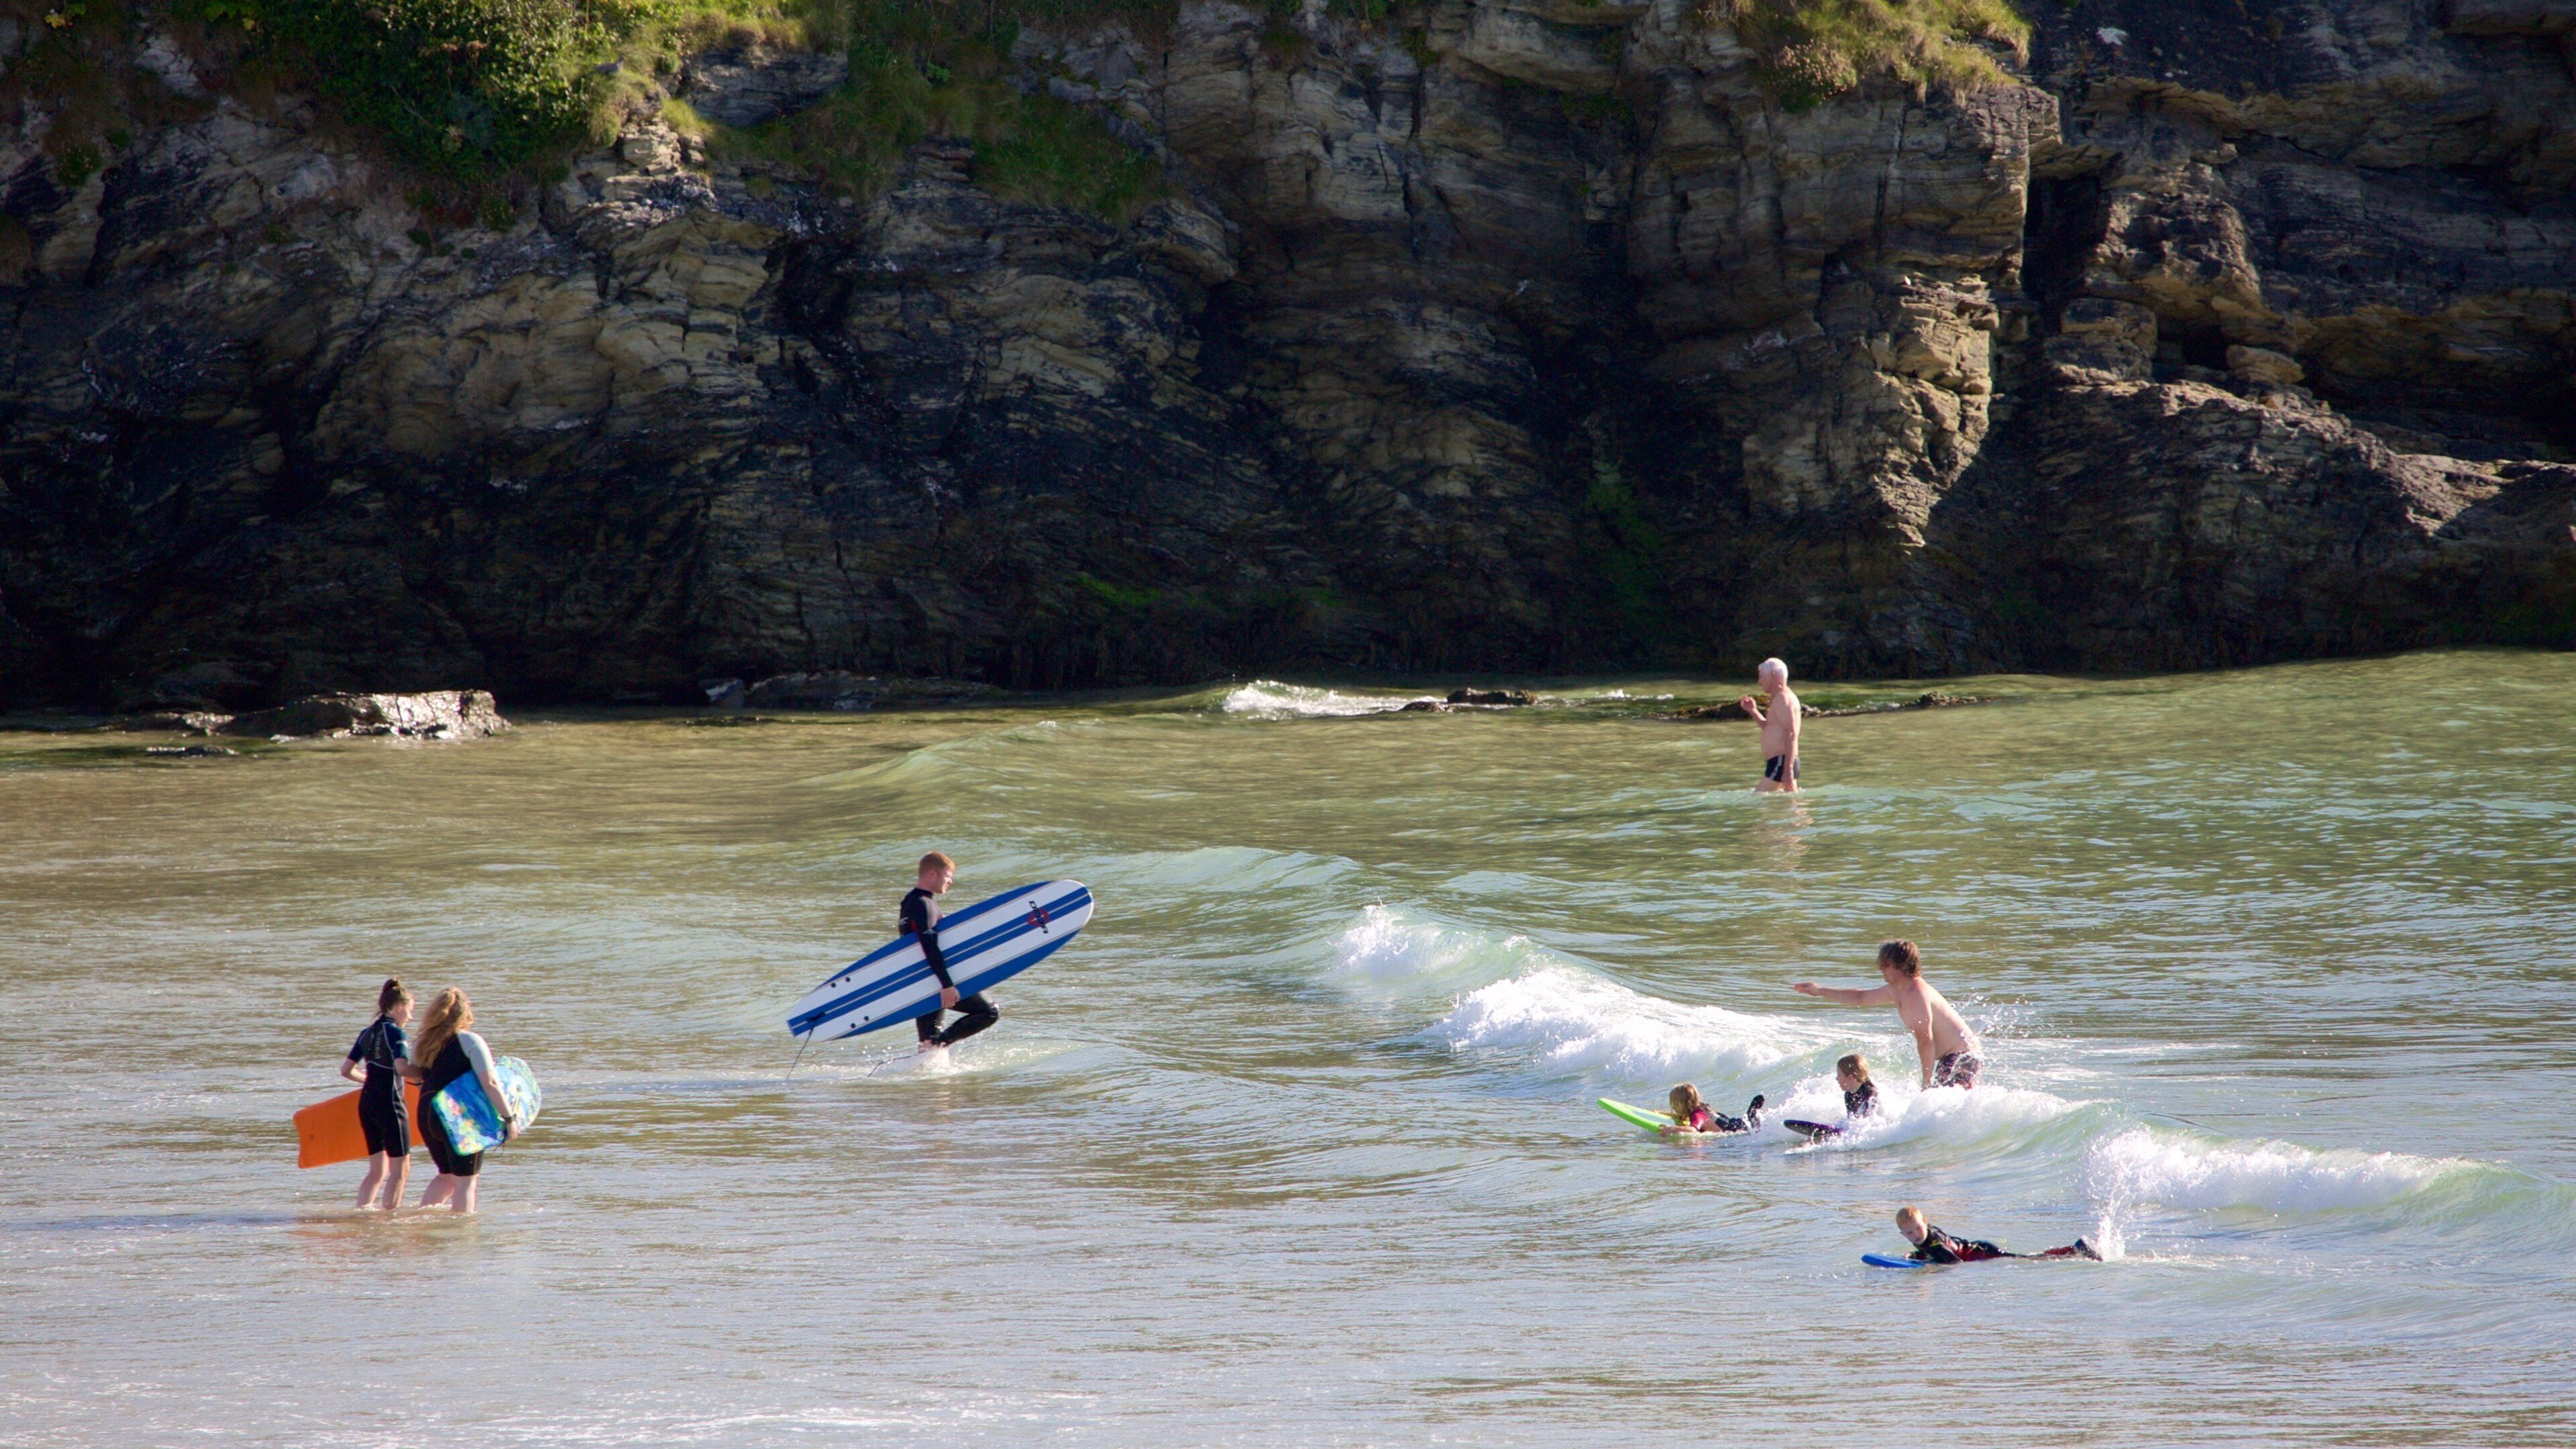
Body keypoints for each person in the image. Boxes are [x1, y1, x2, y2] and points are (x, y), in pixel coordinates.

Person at [1791, 940, 1983, 1089]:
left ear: (1901, 965)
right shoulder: (1896, 990)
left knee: (1942, 1102)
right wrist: (1819, 991)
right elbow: (1860, 997)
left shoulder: (1917, 994)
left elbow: (1926, 1040)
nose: (1881, 968)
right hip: (1949, 1058)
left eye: (1885, 964)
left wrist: (1926, 1082)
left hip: (1963, 1057)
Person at [402, 987, 519, 1214]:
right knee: (466, 1182)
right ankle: (463, 1238)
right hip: (459, 1117)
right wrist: (509, 1118)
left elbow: (417, 1074)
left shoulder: (422, 1044)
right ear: (465, 1014)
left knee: (446, 1177)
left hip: (427, 1113)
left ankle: (423, 1223)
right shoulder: (470, 1041)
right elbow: (491, 1083)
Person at [903, 851, 999, 1054]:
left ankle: (926, 1074)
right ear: (932, 874)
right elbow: (928, 944)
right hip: (935, 981)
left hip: (924, 981)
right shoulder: (923, 904)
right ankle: (938, 1044)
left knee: (927, 1050)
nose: (951, 881)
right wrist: (946, 985)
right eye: (948, 876)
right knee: (989, 1012)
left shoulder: (910, 902)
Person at [341, 978, 414, 1210]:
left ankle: (362, 1213)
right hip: (390, 1104)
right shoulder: (396, 1034)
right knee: (401, 1169)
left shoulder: (366, 1033)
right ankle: (389, 1222)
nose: (411, 1017)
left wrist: (370, 1080)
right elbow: (402, 1069)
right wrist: (426, 1074)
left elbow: (346, 1071)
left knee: (377, 1170)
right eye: (410, 1011)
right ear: (399, 1008)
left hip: (367, 1104)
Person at [1895, 1204, 2098, 1263]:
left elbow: (1953, 1262)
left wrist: (1924, 1266)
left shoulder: (1934, 1242)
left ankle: (2073, 1250)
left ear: (1926, 1223)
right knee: (2028, 1257)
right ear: (1903, 1234)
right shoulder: (1924, 1239)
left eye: (1918, 1228)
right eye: (1910, 1233)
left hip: (1980, 1252)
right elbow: (1930, 1251)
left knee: (2028, 1259)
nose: (1915, 1235)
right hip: (1976, 1247)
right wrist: (1914, 1254)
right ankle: (2073, 1250)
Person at [1737, 657, 1802, 793]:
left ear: (1773, 675)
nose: (1759, 682)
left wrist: (1788, 770)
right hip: (1780, 762)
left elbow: (1792, 734)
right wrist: (1753, 711)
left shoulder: (1784, 699)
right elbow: (1770, 728)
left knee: (1758, 801)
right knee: (1792, 808)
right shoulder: (1779, 698)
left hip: (1781, 763)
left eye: (1761, 677)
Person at [1784, 1052, 1881, 1140]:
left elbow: (1870, 1122)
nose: (1837, 1079)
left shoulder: (1871, 1094)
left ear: (1850, 1078)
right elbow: (1852, 1120)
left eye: (1839, 1075)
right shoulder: (1849, 1095)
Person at [1660, 1083, 1766, 1136]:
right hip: (1732, 1122)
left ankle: (1752, 1113)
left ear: (1687, 1104)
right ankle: (1751, 1114)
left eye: (1676, 1104)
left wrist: (1672, 1129)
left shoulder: (1698, 1115)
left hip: (1737, 1128)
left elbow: (1693, 1130)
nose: (1674, 1107)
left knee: (1754, 1127)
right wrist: (1660, 1113)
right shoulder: (1696, 1110)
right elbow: (1679, 1116)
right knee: (1749, 1121)